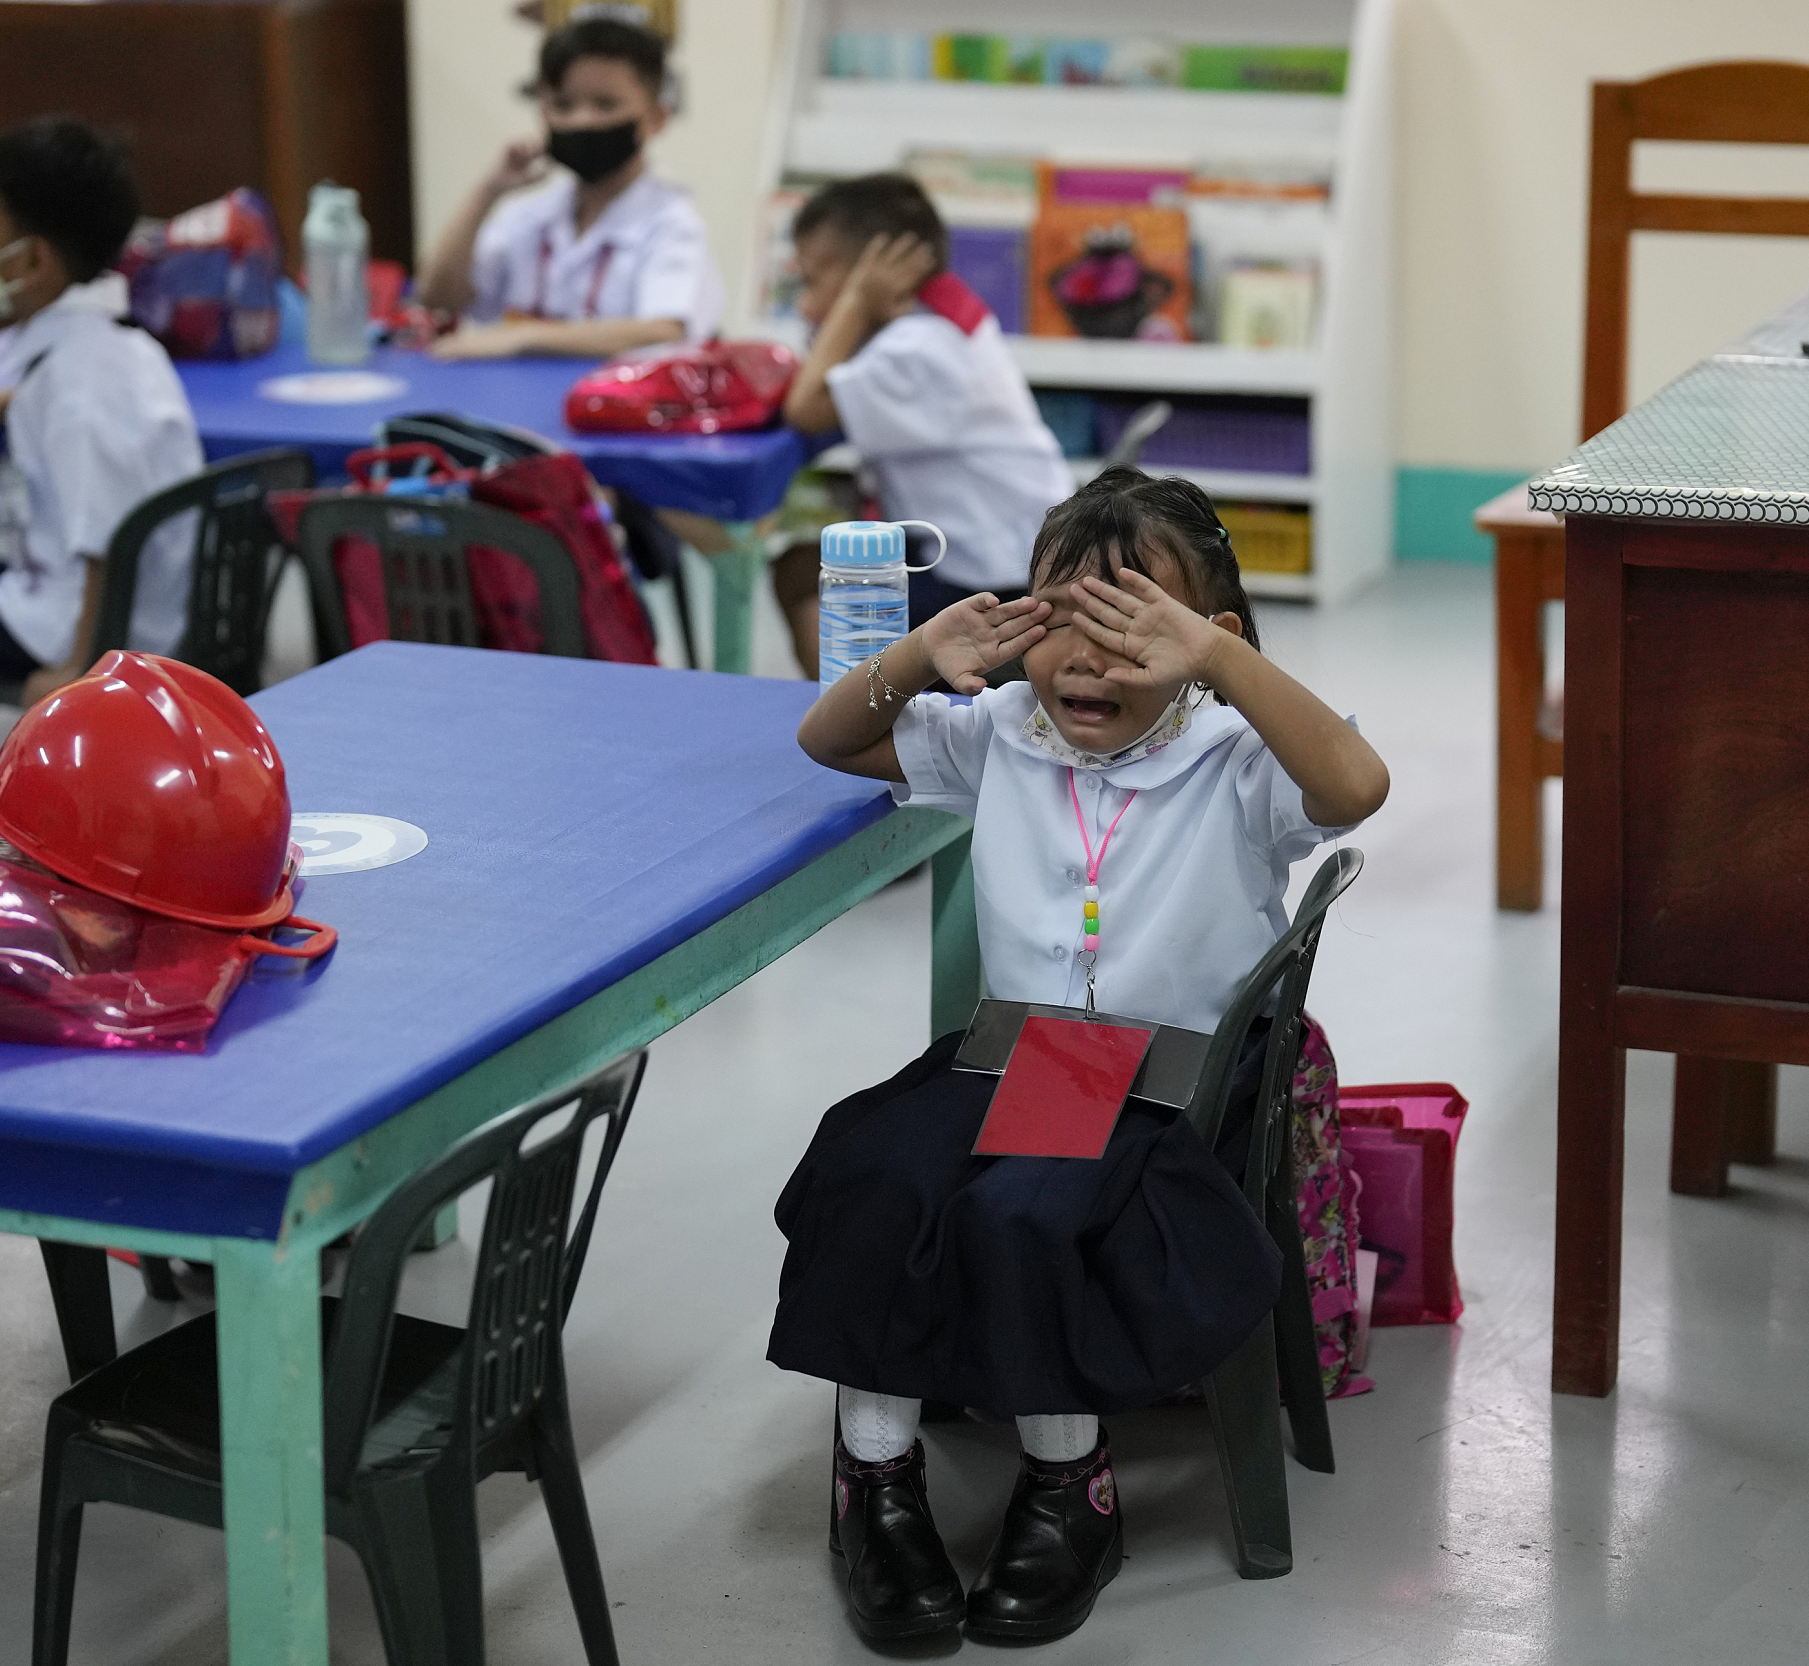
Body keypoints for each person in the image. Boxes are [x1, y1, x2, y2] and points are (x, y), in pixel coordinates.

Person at [774, 469, 1389, 1644]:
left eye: (1134, 632)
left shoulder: (1234, 752)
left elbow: (1355, 784)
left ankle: (1069, 1485)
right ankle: (874, 1481)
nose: (1089, 665)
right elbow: (827, 739)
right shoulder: (1006, 729)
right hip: (1015, 1057)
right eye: (1063, 623)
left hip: (1169, 1081)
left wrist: (1219, 666)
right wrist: (917, 652)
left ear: (1203, 648)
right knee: (873, 1176)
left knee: (1019, 1209)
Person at [0, 116, 204, 787]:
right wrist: (6, 402)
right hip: (74, 583)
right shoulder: (107, 345)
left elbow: (101, 540)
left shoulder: (77, 392)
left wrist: (75, 672)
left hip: (90, 617)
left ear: (31, 260)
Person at [776, 173, 1072, 677]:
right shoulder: (934, 322)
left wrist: (855, 303)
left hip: (996, 589)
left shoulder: (916, 352)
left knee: (806, 571)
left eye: (812, 282)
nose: (804, 305)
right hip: (1006, 558)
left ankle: (850, 721)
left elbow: (803, 408)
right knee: (815, 559)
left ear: (877, 273)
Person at [417, 16, 722, 360]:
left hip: (610, 409)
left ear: (655, 118)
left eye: (606, 104)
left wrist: (525, 336)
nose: (582, 121)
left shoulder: (671, 223)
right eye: (563, 105)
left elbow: (665, 331)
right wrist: (487, 191)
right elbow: (439, 297)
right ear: (544, 115)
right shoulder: (529, 216)